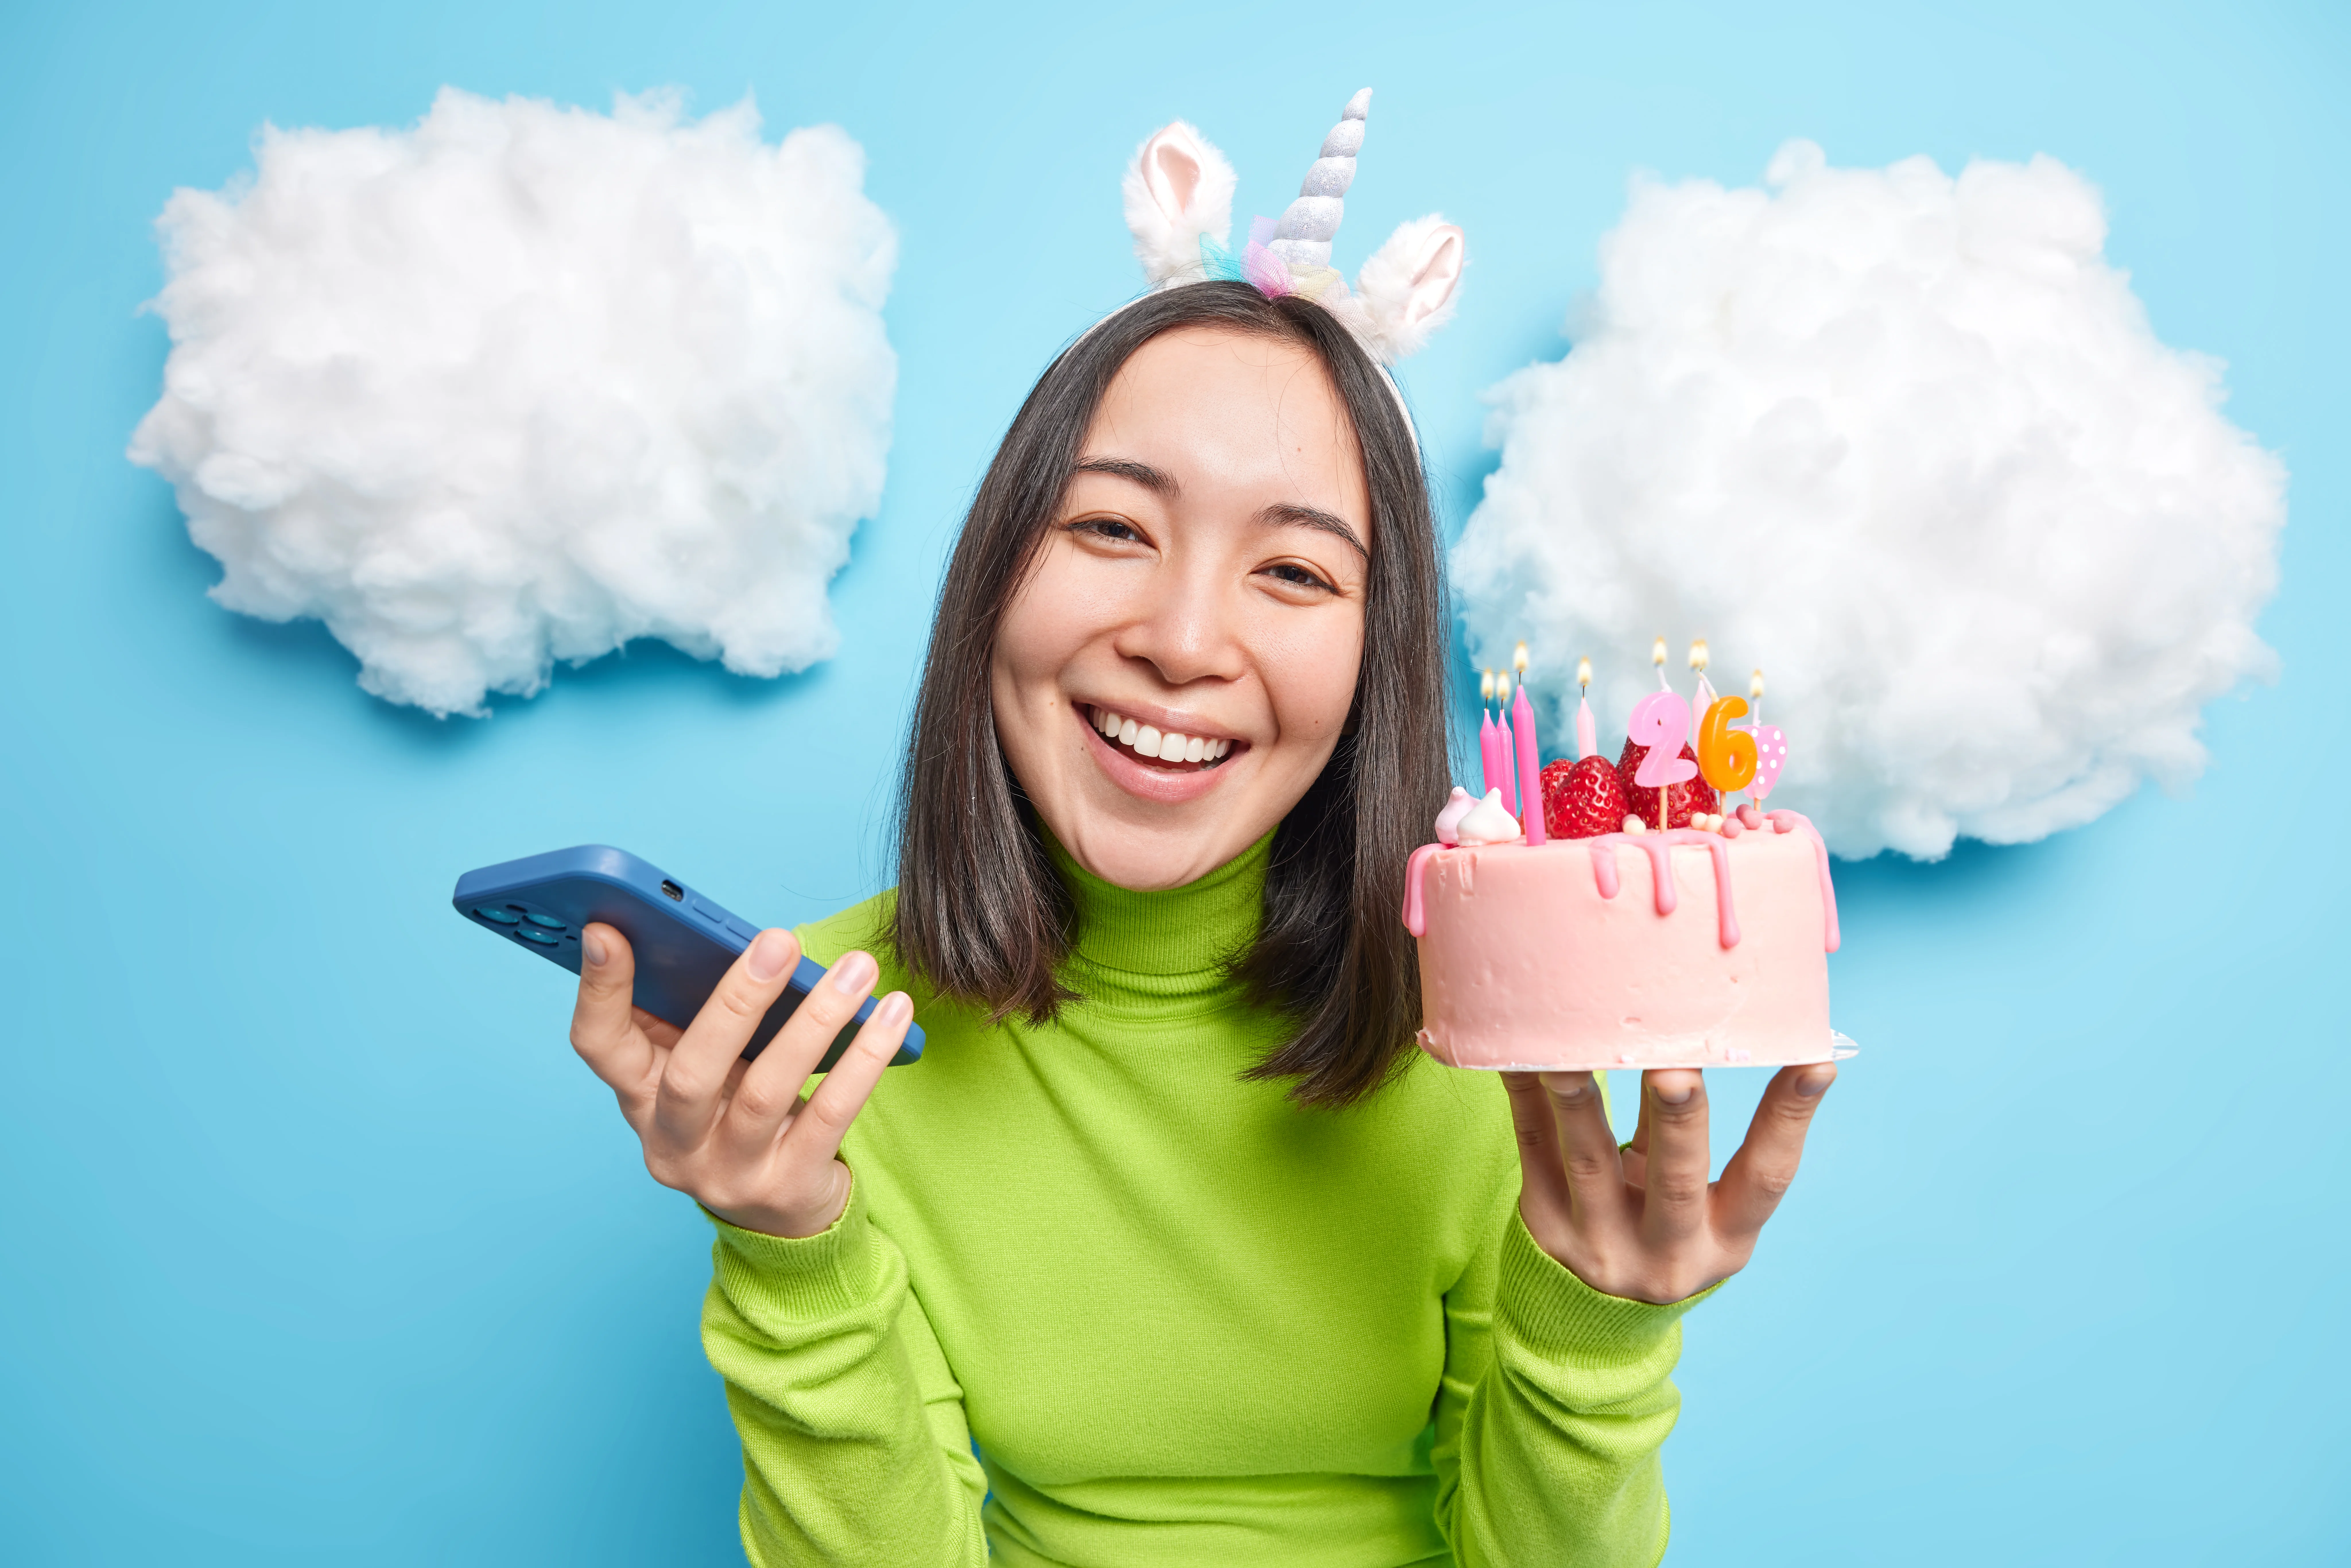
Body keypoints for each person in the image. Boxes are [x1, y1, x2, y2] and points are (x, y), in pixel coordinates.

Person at [564, 97, 1834, 1567]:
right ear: (993, 572)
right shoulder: (831, 1042)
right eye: (1110, 528)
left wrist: (1597, 1336)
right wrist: (786, 1251)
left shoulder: (1498, 1023)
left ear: (1378, 653)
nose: (1179, 640)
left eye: (1292, 570)